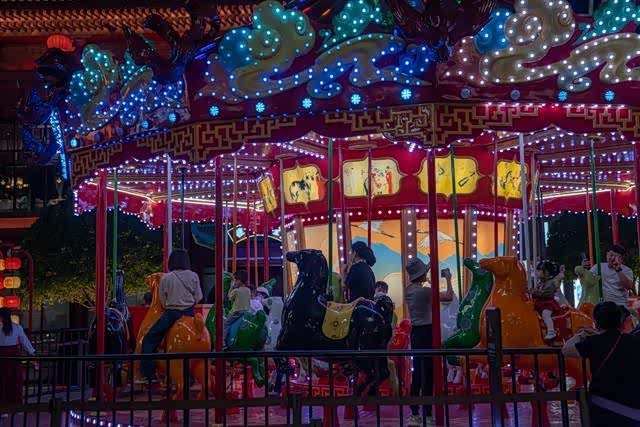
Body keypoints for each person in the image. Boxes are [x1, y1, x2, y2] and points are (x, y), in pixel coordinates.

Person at [562, 302, 640, 426]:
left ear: (597, 322)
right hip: (634, 410)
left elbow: (566, 349)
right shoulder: (634, 341)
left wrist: (582, 334)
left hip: (603, 408)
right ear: (620, 321)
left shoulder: (593, 342)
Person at [404, 258, 453, 426]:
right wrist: (448, 279)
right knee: (428, 372)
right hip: (427, 332)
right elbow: (448, 296)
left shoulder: (409, 290)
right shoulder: (425, 292)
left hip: (416, 332)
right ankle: (428, 412)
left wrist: (430, 266)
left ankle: (414, 412)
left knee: (418, 372)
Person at [141, 249, 202, 381]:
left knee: (150, 338)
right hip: (190, 313)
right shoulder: (194, 276)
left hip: (172, 313)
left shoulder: (166, 278)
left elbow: (162, 300)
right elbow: (199, 296)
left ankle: (148, 373)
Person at [0, 308, 35, 405]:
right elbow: (24, 341)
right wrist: (32, 352)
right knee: (15, 380)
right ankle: (15, 403)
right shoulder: (17, 327)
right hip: (14, 355)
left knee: (2, 380)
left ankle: (3, 402)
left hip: (1, 355)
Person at [531, 260, 563, 341]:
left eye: (539, 270)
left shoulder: (551, 283)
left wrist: (534, 293)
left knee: (546, 314)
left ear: (547, 272)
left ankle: (551, 331)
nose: (537, 272)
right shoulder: (541, 283)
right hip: (541, 303)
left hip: (548, 304)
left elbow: (545, 294)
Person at [223, 270, 252, 348]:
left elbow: (229, 297)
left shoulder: (236, 291)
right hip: (246, 311)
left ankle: (222, 342)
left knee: (225, 323)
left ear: (239, 281)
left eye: (235, 280)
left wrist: (231, 286)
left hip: (236, 311)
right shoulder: (248, 290)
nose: (235, 282)